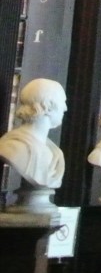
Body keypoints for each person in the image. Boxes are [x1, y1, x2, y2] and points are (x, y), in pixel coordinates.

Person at [0, 78, 67, 210]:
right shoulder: (12, 147)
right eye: (63, 102)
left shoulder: (55, 153)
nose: (65, 108)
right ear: (47, 105)